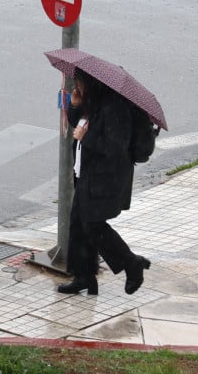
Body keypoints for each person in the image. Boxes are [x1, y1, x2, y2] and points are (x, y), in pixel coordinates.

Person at [57, 68, 150, 296]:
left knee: (93, 225)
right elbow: (79, 124)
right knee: (78, 226)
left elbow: (114, 147)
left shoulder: (114, 107)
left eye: (79, 82)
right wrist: (75, 105)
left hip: (105, 179)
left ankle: (132, 263)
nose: (76, 86)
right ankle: (84, 277)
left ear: (92, 82)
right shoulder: (94, 101)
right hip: (87, 174)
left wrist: (86, 138)